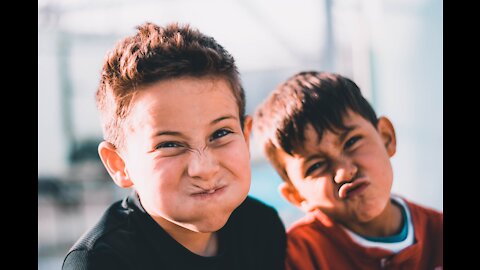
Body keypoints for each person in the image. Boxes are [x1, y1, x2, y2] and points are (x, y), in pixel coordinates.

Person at [62, 22, 286, 270]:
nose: (204, 168)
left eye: (220, 133)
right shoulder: (102, 261)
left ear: (246, 136)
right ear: (120, 165)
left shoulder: (261, 227)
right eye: (169, 144)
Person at [252, 71, 443, 269]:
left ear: (386, 138)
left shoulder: (437, 232)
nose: (344, 172)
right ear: (296, 196)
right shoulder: (294, 257)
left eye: (351, 142)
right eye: (316, 166)